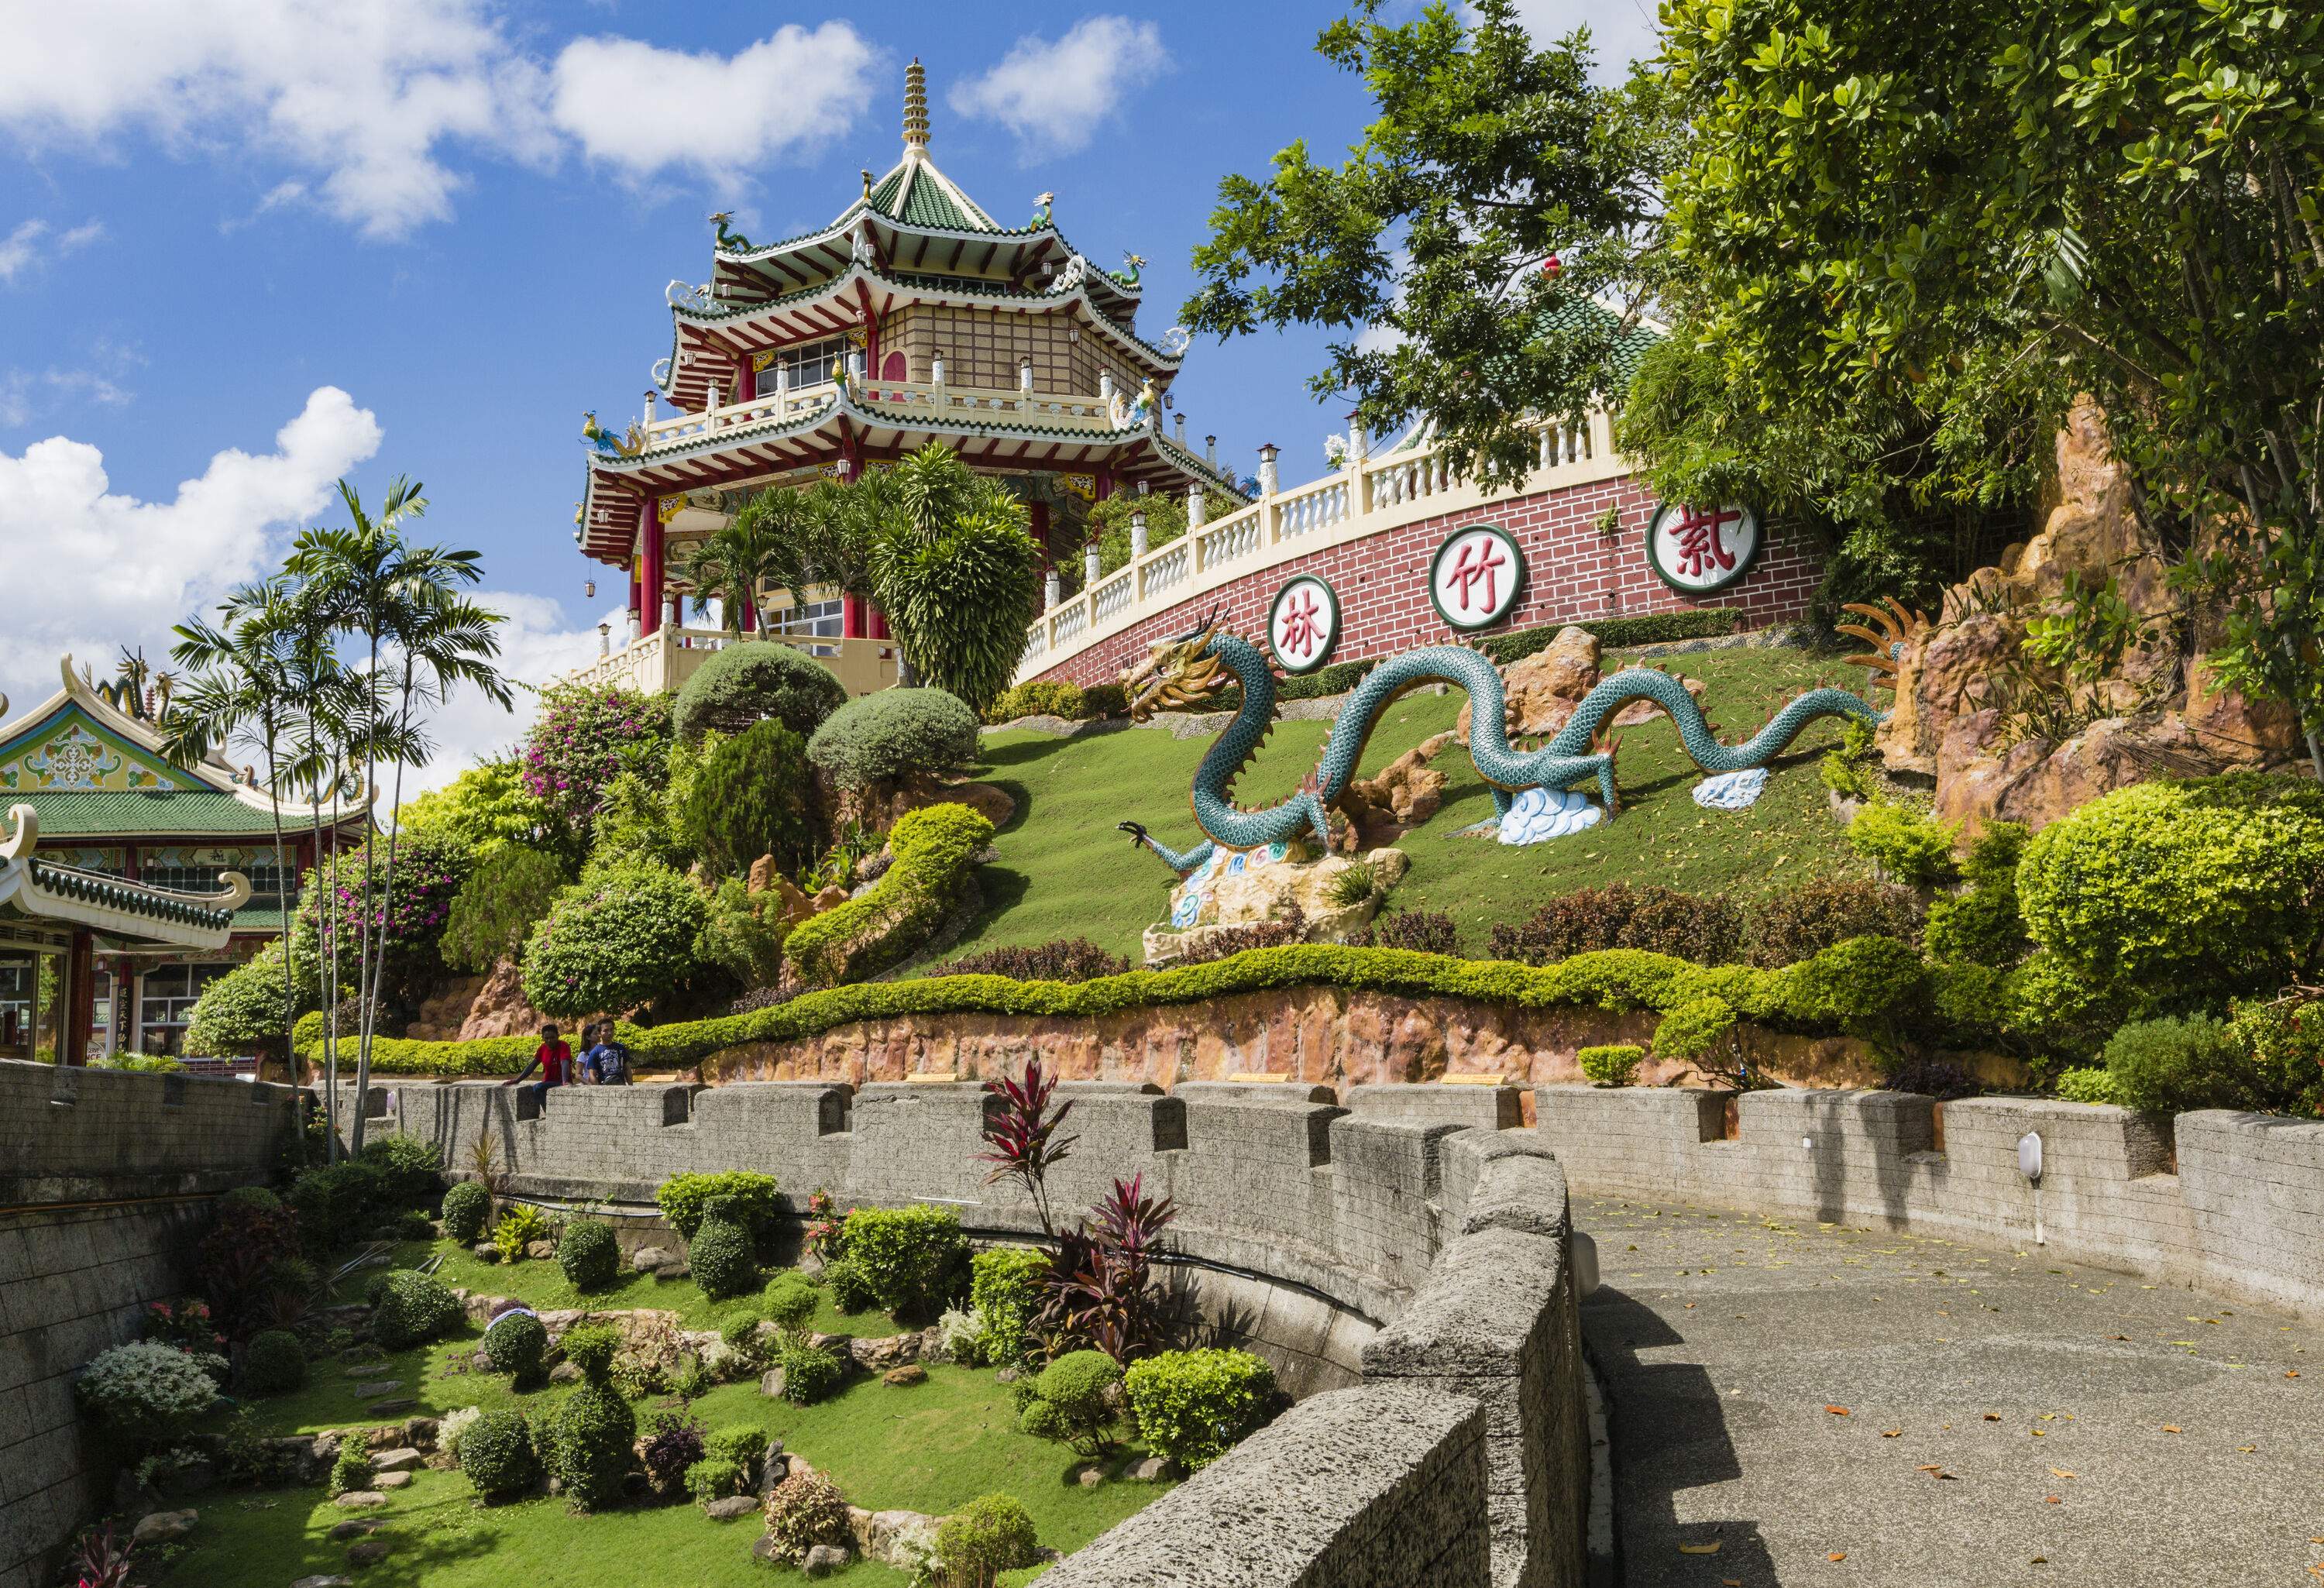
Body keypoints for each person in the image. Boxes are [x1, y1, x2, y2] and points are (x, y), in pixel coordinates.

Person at [504, 1023, 572, 1108]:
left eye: (552, 1038)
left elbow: (565, 1062)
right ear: (542, 1038)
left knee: (538, 1087)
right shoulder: (542, 1048)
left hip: (560, 1082)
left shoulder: (563, 1046)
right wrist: (517, 1080)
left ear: (558, 1036)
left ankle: (549, 1113)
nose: (549, 1041)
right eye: (546, 1038)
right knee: (537, 1088)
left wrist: (565, 1081)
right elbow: (532, 1066)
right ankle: (548, 1112)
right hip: (548, 1082)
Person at [582, 1021, 632, 1086]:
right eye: (605, 1031)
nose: (609, 1033)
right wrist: (599, 1091)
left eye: (611, 1029)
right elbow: (592, 1075)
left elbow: (627, 1069)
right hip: (605, 1087)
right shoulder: (595, 1052)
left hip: (621, 1086)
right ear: (600, 1033)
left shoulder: (621, 1048)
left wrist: (630, 1087)